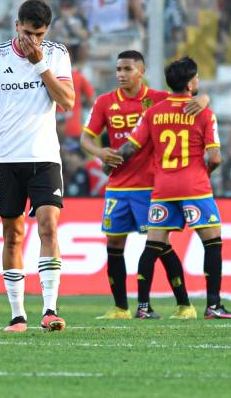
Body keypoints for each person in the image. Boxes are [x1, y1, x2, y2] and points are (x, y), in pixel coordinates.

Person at [0, 0, 75, 333]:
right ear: (16, 25)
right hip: (7, 158)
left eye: (39, 34)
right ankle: (17, 315)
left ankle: (50, 310)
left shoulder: (56, 54)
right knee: (12, 235)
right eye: (27, 33)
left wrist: (40, 63)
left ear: (47, 31)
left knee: (48, 227)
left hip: (44, 157)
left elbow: (67, 102)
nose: (32, 40)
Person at [106, 57, 231, 320]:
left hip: (163, 187)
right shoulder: (203, 113)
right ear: (191, 83)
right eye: (198, 79)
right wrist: (204, 172)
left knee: (153, 244)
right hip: (195, 186)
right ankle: (213, 305)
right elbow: (215, 158)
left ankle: (143, 306)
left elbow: (130, 148)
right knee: (212, 243)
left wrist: (108, 166)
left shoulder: (153, 111)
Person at [80, 50, 208, 319]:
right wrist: (100, 152)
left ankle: (184, 305)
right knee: (113, 246)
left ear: (141, 71)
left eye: (127, 69)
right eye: (118, 69)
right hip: (117, 187)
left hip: (150, 187)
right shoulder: (105, 102)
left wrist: (204, 98)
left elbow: (191, 100)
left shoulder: (158, 99)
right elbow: (86, 138)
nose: (120, 75)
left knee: (160, 246)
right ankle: (120, 308)